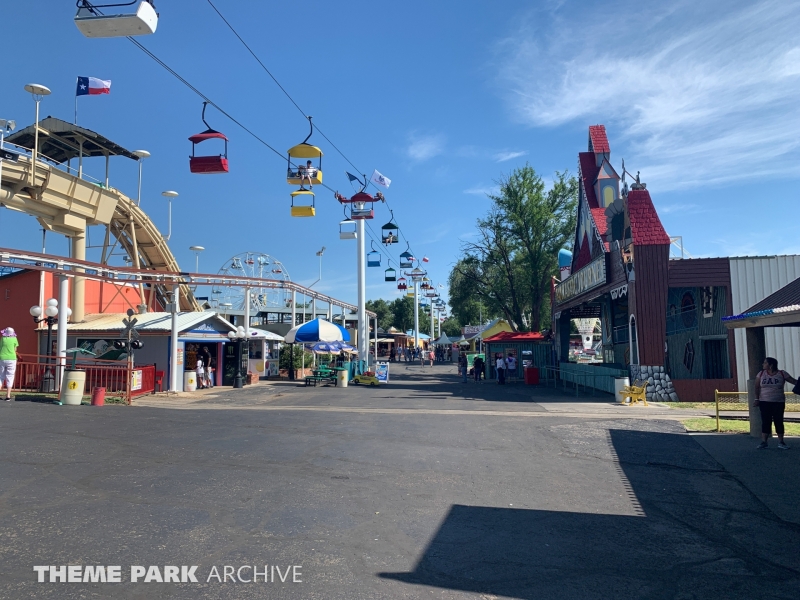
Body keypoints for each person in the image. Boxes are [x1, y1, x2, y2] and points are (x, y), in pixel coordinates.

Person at [754, 357, 796, 449]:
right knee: (766, 421)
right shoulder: (761, 374)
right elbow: (757, 387)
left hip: (778, 402)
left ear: (771, 365)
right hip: (764, 401)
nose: (763, 364)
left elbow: (793, 381)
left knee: (779, 421)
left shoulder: (782, 373)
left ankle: (781, 442)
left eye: (765, 363)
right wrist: (756, 399)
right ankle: (764, 442)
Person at [0, 327, 19, 401]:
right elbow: (15, 349)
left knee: (1, 376)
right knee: (10, 376)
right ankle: (8, 395)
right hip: (12, 358)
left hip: (2, 358)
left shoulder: (3, 339)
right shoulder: (14, 339)